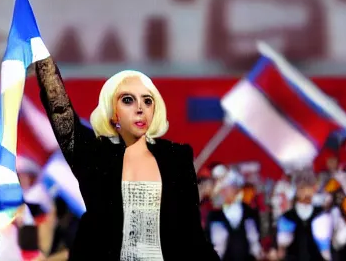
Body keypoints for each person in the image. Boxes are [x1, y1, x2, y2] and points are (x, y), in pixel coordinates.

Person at [35, 56, 219, 261]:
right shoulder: (95, 155)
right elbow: (60, 111)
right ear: (113, 112)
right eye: (128, 100)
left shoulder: (177, 159)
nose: (140, 108)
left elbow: (192, 235)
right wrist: (40, 56)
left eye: (147, 101)